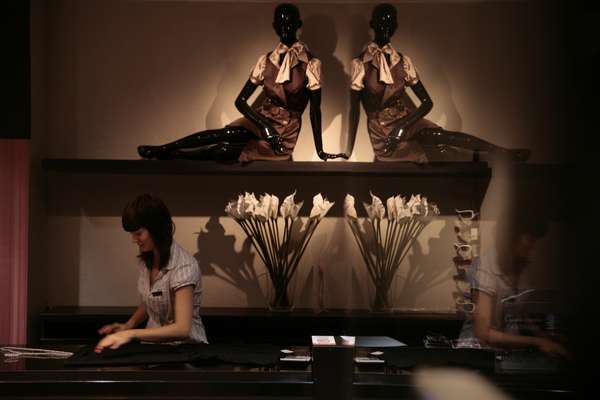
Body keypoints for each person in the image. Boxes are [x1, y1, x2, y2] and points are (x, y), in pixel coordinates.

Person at [137, 3, 346, 162]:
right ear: (274, 26)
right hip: (262, 120)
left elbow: (314, 111)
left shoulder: (311, 64)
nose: (285, 27)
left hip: (285, 131)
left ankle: (176, 155)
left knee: (225, 150)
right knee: (226, 133)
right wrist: (264, 125)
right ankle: (164, 149)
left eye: (290, 22)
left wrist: (320, 151)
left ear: (298, 25)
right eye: (281, 23)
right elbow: (240, 101)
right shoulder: (266, 60)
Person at [345, 3, 530, 163]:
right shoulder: (360, 64)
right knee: (442, 151)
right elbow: (354, 110)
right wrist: (348, 151)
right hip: (382, 134)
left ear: (396, 26)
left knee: (441, 137)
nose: (386, 26)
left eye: (390, 21)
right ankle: (494, 158)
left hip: (405, 122)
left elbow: (427, 103)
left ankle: (502, 153)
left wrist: (402, 127)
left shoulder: (403, 61)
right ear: (373, 24)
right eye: (382, 21)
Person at [95, 194, 207, 352]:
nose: (134, 239)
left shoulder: (183, 266)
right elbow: (151, 300)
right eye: (132, 234)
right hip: (154, 348)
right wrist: (127, 326)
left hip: (186, 350)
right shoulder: (147, 260)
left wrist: (131, 334)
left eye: (139, 233)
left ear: (157, 229)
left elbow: (182, 329)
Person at [459, 210, 569, 358]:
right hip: (478, 354)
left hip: (507, 351)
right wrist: (536, 341)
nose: (533, 245)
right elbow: (483, 333)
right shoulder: (484, 267)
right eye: (529, 238)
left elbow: (518, 311)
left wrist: (542, 335)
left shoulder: (522, 264)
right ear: (510, 236)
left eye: (535, 239)